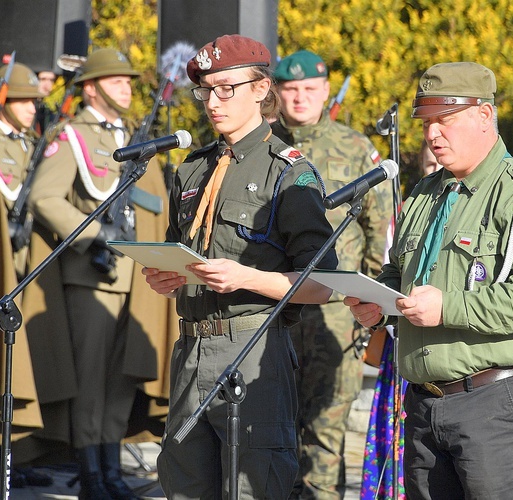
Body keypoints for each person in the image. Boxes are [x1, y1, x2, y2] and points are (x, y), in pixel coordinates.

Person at [345, 62, 513, 499]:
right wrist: (377, 302)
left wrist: (449, 307)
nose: (431, 135)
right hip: (425, 403)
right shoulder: (425, 193)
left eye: (443, 121)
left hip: (495, 402)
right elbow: (400, 270)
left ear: (484, 116)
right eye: (426, 123)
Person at [141, 34, 338, 499]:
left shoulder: (287, 171)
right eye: (205, 90)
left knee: (253, 488)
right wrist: (167, 277)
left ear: (260, 88)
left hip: (253, 352)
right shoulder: (191, 170)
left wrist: (246, 278)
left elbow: (323, 283)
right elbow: (182, 253)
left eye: (226, 88)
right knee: (185, 486)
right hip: (190, 351)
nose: (213, 101)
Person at [27, 47, 174, 499]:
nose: (127, 87)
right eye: (116, 80)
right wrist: (93, 236)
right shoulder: (71, 136)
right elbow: (45, 197)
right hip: (92, 276)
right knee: (90, 381)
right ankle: (91, 473)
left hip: (136, 279)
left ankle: (110, 470)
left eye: (130, 80)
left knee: (121, 378)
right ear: (90, 88)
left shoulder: (135, 135)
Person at [269, 49, 390, 499]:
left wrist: (373, 305)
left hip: (338, 316)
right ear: (278, 93)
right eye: (291, 89)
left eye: (309, 89)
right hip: (275, 307)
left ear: (324, 91)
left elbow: (379, 230)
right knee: (273, 431)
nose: (300, 98)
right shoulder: (261, 146)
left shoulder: (356, 147)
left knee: (326, 432)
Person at [0, 61, 51, 490]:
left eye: (36, 101)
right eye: (25, 101)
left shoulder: (25, 143)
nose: (33, 108)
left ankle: (8, 456)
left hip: (23, 265)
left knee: (17, 363)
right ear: (4, 102)